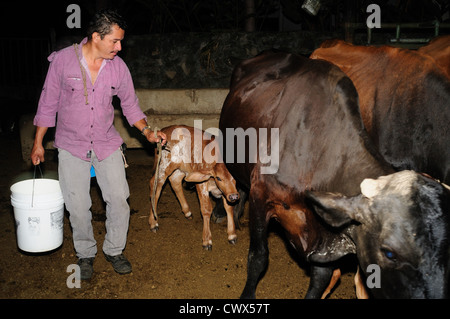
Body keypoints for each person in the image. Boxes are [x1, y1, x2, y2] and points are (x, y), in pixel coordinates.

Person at [31, 9, 166, 280]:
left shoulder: (118, 67)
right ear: (95, 37)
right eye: (114, 41)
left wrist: (147, 131)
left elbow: (130, 105)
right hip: (71, 145)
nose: (119, 47)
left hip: (106, 143)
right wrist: (37, 143)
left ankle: (114, 249)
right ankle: (85, 254)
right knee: (78, 205)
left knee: (118, 199)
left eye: (121, 42)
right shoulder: (62, 62)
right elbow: (47, 104)